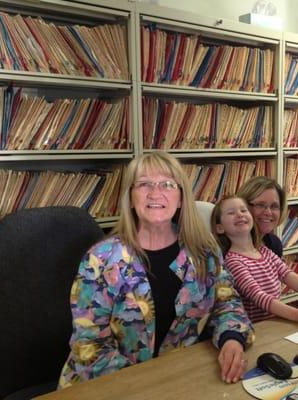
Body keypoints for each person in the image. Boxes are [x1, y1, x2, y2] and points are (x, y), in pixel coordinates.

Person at [58, 152, 254, 389]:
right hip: (109, 387)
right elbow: (89, 347)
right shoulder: (100, 259)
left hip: (180, 379)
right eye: (143, 184)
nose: (155, 192)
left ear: (181, 198)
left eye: (168, 184)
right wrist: (151, 386)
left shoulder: (203, 250)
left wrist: (231, 339)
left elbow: (227, 303)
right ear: (130, 198)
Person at [211, 195, 298, 325]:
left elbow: (289, 275)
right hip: (258, 328)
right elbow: (258, 296)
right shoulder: (233, 261)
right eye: (231, 213)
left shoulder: (264, 251)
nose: (239, 215)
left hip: (276, 321)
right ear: (220, 228)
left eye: (243, 210)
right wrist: (296, 314)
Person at [236, 176, 286, 258]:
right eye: (260, 205)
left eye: (274, 206)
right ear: (243, 206)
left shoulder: (274, 244)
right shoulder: (227, 248)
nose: (268, 212)